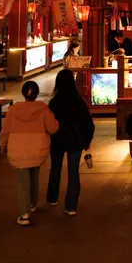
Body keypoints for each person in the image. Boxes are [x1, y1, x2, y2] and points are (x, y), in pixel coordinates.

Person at [1, 80, 59, 226]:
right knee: (34, 175)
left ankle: (24, 214)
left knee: (22, 181)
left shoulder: (13, 111)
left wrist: (3, 146)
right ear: (37, 93)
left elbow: (5, 131)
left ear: (23, 93)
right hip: (38, 147)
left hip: (18, 148)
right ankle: (33, 204)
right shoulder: (43, 109)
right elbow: (52, 128)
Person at [46, 69, 95, 216]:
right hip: (75, 140)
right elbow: (88, 123)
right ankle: (71, 206)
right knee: (73, 172)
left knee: (55, 168)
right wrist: (87, 140)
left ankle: (52, 198)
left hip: (57, 140)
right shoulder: (79, 102)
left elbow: (48, 123)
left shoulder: (54, 103)